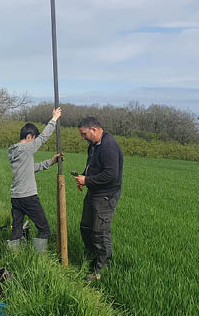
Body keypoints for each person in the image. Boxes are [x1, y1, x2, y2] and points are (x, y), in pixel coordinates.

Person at [73, 117, 123, 282]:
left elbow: (111, 174)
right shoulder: (94, 145)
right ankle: (91, 260)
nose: (83, 138)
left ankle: (102, 270)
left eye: (84, 134)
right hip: (93, 192)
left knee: (100, 233)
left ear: (94, 129)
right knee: (86, 227)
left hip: (106, 195)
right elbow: (92, 167)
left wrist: (87, 180)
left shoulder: (109, 146)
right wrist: (83, 177)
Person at [7, 107, 63, 252]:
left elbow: (32, 167)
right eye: (34, 139)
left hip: (16, 197)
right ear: (30, 137)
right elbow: (43, 138)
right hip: (28, 197)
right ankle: (40, 260)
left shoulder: (15, 151)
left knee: (17, 231)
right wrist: (54, 119)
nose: (34, 142)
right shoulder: (25, 149)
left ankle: (14, 258)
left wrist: (51, 162)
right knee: (44, 230)